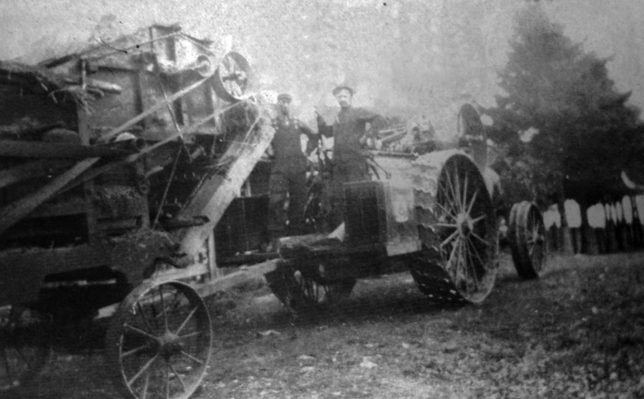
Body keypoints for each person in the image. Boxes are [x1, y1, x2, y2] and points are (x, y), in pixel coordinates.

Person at [317, 85, 383, 228]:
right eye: (339, 97)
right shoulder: (337, 117)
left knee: (357, 196)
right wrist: (320, 120)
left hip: (355, 161)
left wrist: (367, 136)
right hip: (339, 164)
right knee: (339, 198)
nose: (342, 99)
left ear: (350, 98)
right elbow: (329, 133)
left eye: (345, 96)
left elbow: (378, 118)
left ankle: (359, 230)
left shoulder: (357, 112)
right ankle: (342, 232)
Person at [267, 93, 316, 244]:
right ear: (278, 105)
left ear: (290, 104)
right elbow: (263, 138)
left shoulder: (297, 123)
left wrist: (307, 152)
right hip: (279, 167)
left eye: (287, 102)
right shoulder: (272, 124)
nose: (284, 105)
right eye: (281, 102)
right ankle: (277, 238)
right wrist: (269, 150)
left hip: (297, 166)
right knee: (276, 201)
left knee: (298, 201)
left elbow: (314, 136)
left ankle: (297, 237)